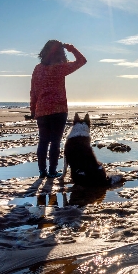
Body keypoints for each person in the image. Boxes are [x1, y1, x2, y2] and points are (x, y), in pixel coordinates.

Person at [30, 40, 87, 178]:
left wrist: (33, 110)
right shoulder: (60, 67)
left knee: (43, 141)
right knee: (55, 141)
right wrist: (71, 48)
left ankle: (42, 172)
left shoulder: (38, 69)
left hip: (42, 110)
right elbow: (82, 60)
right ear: (59, 53)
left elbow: (33, 91)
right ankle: (52, 171)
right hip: (59, 109)